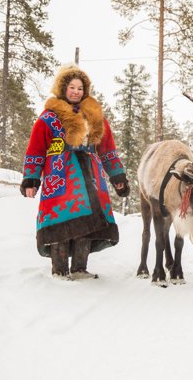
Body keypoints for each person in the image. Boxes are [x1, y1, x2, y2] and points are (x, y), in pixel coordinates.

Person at [20, 63, 130, 280]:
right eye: (72, 87)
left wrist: (117, 175)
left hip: (91, 174)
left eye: (80, 88)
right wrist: (31, 178)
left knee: (88, 223)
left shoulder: (95, 116)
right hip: (61, 175)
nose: (76, 91)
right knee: (61, 223)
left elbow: (107, 148)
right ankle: (59, 270)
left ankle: (79, 269)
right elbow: (36, 149)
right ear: (63, 88)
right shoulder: (48, 118)